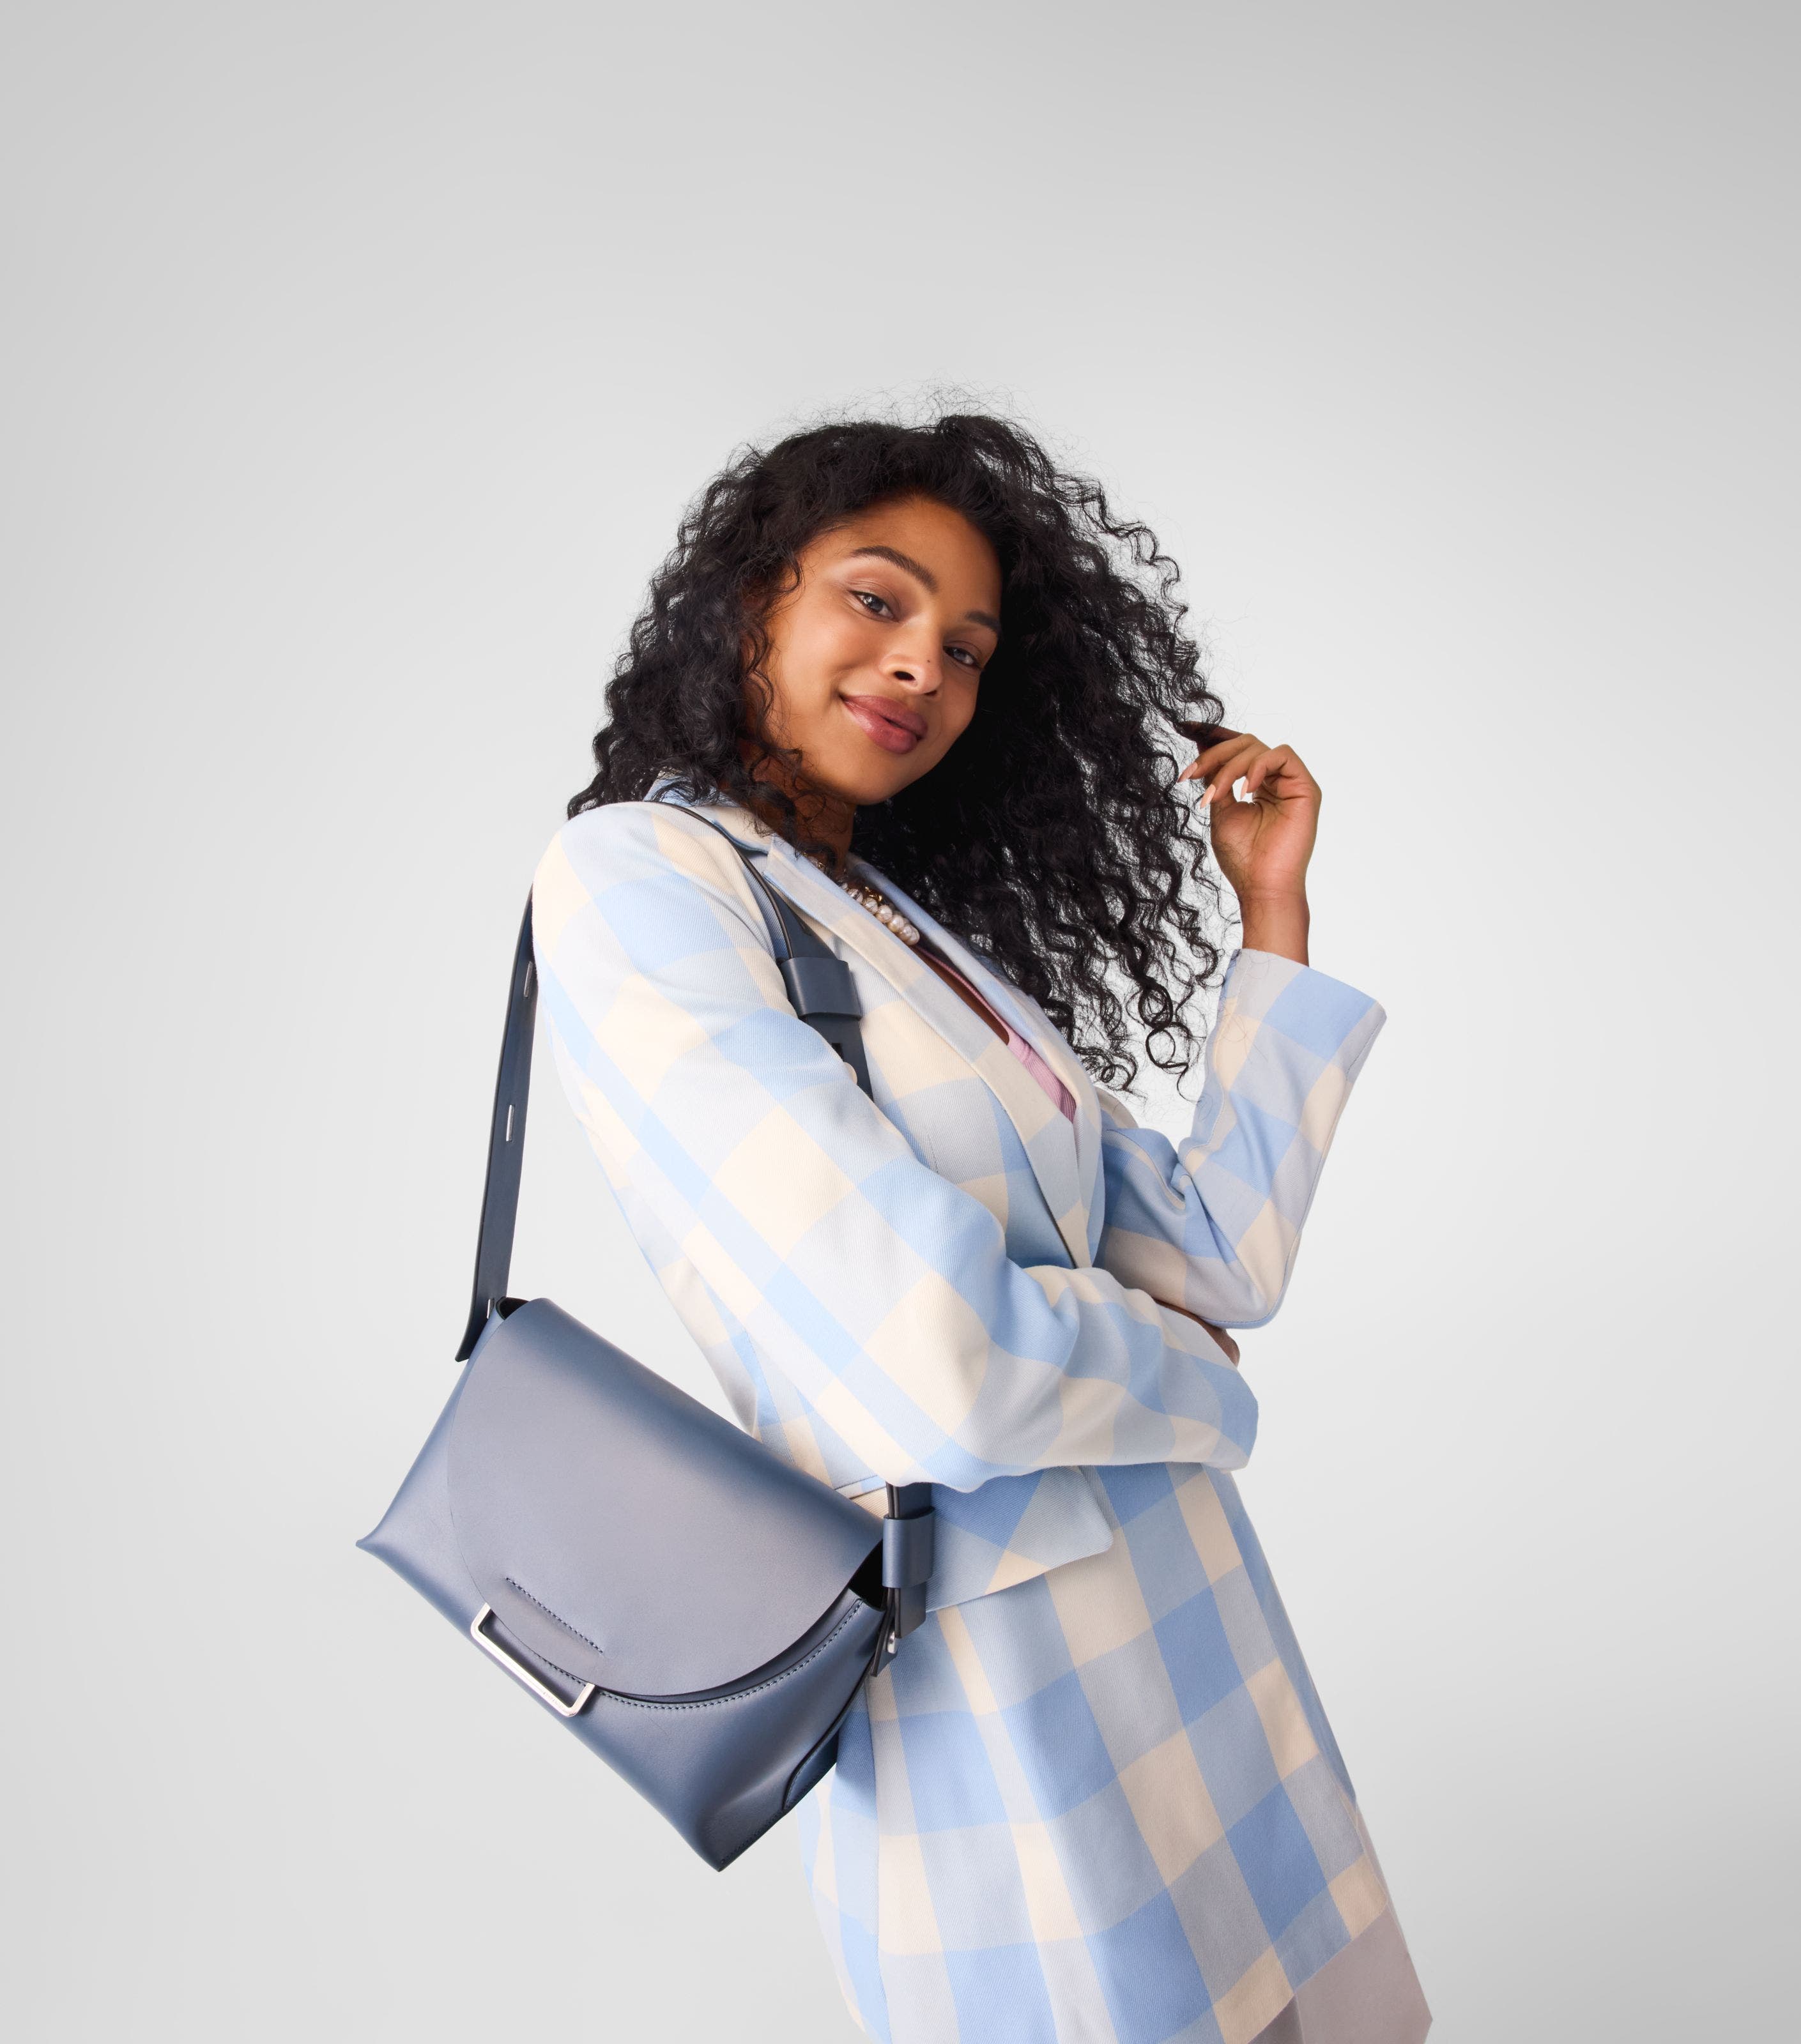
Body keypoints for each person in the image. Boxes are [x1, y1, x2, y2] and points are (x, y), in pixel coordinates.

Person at [528, 412, 1431, 2044]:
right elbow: (927, 1357)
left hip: (1197, 1636)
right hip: (998, 1694)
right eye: (876, 601)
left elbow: (1220, 1255)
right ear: (752, 600)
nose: (921, 667)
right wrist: (1199, 1388)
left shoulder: (894, 922)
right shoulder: (636, 877)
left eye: (965, 647)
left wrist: (1272, 912)